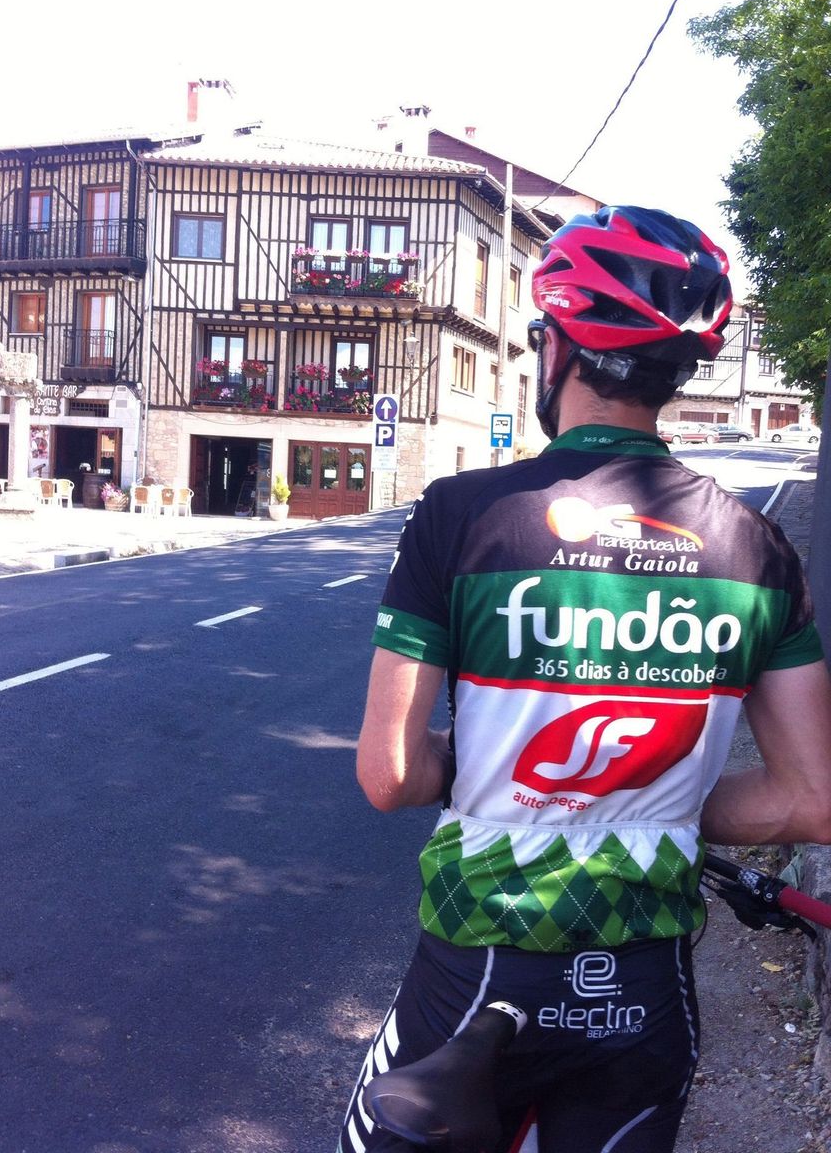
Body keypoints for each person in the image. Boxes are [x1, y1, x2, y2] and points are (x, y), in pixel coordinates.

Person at [336, 205, 831, 1153]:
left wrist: (486, 766)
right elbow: (811, 800)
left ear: (554, 348)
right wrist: (644, 804)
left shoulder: (461, 515)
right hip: (645, 993)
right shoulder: (760, 549)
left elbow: (388, 775)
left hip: (478, 974)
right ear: (678, 375)